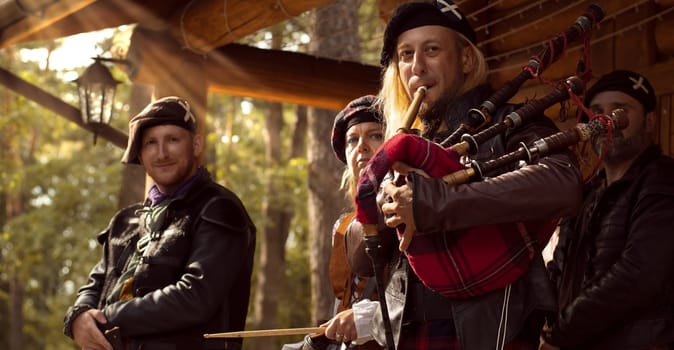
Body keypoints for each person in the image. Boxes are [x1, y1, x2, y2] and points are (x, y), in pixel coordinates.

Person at [346, 1, 583, 349]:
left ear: (467, 60)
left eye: (431, 50)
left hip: (494, 328)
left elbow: (562, 183)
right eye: (406, 55)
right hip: (408, 333)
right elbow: (362, 261)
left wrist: (438, 202)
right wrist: (381, 207)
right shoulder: (403, 143)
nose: (417, 68)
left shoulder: (507, 123)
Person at [63, 96, 256, 350]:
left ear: (196, 145)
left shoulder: (219, 208)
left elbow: (195, 298)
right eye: (151, 143)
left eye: (173, 140)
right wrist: (78, 317)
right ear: (140, 155)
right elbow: (95, 285)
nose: (162, 153)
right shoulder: (125, 221)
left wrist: (107, 317)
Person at [541, 70, 674, 350]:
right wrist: (540, 322)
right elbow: (559, 269)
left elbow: (640, 273)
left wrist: (560, 334)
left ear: (649, 121)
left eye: (620, 110)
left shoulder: (664, 180)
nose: (607, 121)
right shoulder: (587, 193)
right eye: (597, 112)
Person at [300, 95, 388, 350]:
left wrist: (370, 317)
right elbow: (343, 304)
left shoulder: (408, 206)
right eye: (352, 139)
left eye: (374, 135)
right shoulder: (343, 226)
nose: (361, 147)